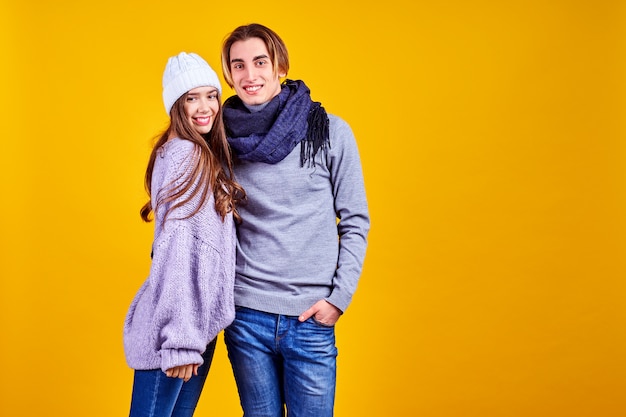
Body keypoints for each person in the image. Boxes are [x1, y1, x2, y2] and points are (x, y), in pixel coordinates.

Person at [220, 23, 370, 417]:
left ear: (280, 67)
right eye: (238, 66)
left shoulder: (329, 132)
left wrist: (339, 299)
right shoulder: (220, 141)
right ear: (229, 75)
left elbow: (355, 221)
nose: (249, 76)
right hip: (247, 316)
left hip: (311, 318)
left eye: (259, 62)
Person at [123, 52, 245, 417]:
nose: (205, 107)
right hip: (177, 336)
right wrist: (180, 342)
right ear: (176, 104)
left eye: (211, 95)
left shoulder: (190, 153)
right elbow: (178, 251)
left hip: (191, 331)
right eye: (192, 98)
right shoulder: (187, 156)